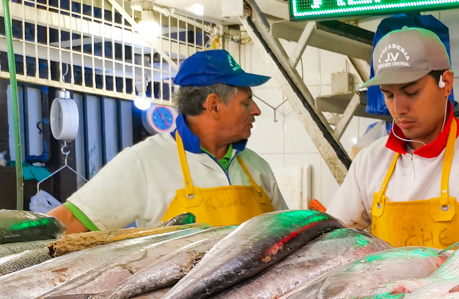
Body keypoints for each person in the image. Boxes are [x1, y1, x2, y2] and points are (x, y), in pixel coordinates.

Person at [328, 27, 459, 248]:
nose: (398, 108)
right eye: (389, 94)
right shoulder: (370, 161)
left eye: (411, 92)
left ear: (446, 83)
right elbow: (332, 243)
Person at [49, 50, 287, 232]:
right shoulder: (144, 162)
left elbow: (286, 237)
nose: (255, 111)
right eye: (246, 103)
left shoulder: (256, 167)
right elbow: (66, 224)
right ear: (214, 105)